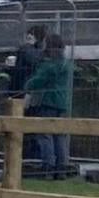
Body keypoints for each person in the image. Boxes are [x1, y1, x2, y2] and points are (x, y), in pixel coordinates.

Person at [18, 30, 74, 177]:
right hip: (61, 103)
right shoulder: (65, 64)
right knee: (59, 135)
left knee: (44, 134)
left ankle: (48, 166)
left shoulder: (49, 65)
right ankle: (61, 168)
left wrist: (27, 86)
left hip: (48, 101)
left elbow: (37, 80)